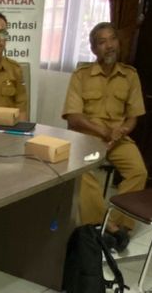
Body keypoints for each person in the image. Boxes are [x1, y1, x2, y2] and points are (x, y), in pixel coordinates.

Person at [62, 22, 147, 252]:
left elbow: (133, 117)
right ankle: (103, 224)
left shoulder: (130, 76)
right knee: (82, 173)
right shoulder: (81, 75)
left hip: (118, 138)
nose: (109, 46)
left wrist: (121, 131)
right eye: (102, 42)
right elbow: (73, 117)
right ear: (93, 49)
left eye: (112, 40)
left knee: (138, 171)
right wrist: (104, 132)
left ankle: (117, 224)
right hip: (87, 136)